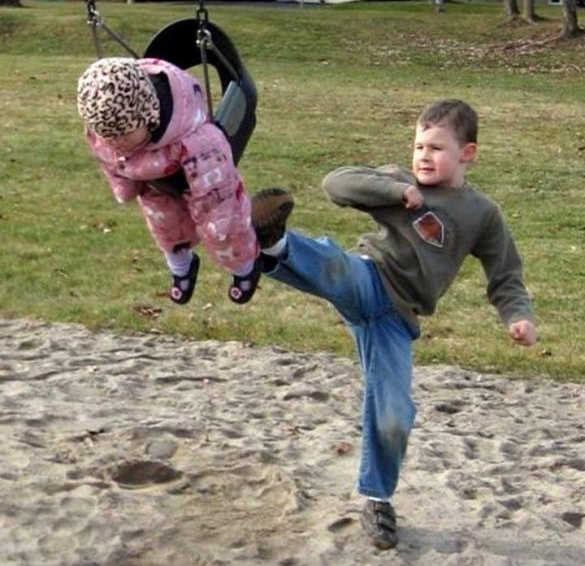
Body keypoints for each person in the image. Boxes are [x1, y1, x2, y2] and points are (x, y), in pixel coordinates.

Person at [250, 99, 537, 550]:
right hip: (369, 277)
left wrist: (517, 316)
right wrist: (393, 193)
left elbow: (505, 275)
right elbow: (336, 184)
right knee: (335, 268)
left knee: (394, 415)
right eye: (419, 145)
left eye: (436, 148)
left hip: (398, 320)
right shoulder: (400, 181)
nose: (423, 156)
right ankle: (273, 244)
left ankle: (377, 499)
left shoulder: (482, 213)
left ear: (469, 153)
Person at [77, 56, 260, 306]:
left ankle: (245, 269)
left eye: (123, 133)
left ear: (147, 115)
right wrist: (124, 186)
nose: (116, 142)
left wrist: (216, 219)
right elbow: (109, 159)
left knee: (227, 232)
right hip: (156, 187)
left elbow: (217, 186)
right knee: (166, 229)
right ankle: (182, 268)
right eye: (109, 136)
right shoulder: (109, 137)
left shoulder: (196, 138)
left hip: (207, 185)